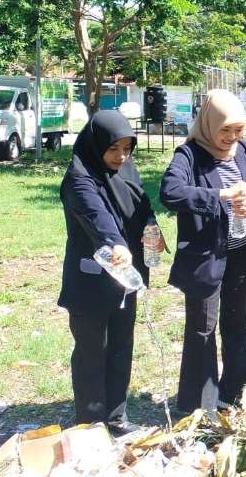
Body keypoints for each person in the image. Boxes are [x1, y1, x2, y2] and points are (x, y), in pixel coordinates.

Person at [160, 89, 246, 413]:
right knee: (202, 328)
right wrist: (221, 195)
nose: (231, 137)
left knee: (238, 323)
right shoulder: (190, 155)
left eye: (238, 130)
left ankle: (237, 394)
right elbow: (170, 192)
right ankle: (200, 405)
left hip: (241, 252)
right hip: (205, 256)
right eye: (225, 130)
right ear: (209, 123)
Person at [59, 110, 162, 435]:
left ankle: (116, 418)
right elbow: (95, 215)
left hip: (125, 279)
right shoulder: (79, 177)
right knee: (92, 351)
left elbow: (142, 209)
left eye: (126, 148)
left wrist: (153, 235)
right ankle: (90, 424)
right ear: (96, 145)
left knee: (120, 348)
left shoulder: (127, 171)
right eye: (113, 149)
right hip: (91, 281)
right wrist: (116, 243)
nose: (121, 156)